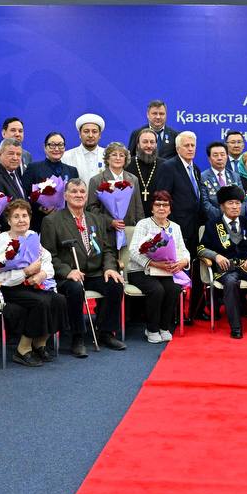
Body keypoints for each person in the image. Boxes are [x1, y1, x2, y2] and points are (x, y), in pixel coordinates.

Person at [43, 179, 128, 357]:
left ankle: (106, 332)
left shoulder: (96, 219)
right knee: (75, 289)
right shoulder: (52, 221)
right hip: (70, 274)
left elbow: (107, 249)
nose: (78, 195)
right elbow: (48, 255)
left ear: (87, 196)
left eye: (82, 191)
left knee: (115, 284)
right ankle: (77, 337)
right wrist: (67, 271)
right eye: (74, 191)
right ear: (65, 196)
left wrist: (109, 268)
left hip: (95, 271)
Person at [0, 199, 69, 367]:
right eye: (16, 216)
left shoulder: (32, 236)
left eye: (24, 216)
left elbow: (46, 260)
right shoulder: (3, 240)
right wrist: (25, 273)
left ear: (30, 218)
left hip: (32, 285)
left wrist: (42, 274)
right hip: (10, 288)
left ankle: (40, 343)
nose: (21, 220)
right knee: (41, 302)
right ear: (9, 221)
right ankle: (23, 349)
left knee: (59, 300)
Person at [198, 186, 247, 339]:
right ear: (222, 206)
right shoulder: (213, 225)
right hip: (226, 269)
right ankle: (236, 327)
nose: (235, 207)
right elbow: (201, 249)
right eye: (230, 203)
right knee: (231, 282)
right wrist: (216, 256)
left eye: (238, 203)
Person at [127, 191, 190, 343]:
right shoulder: (143, 224)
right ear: (152, 208)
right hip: (141, 270)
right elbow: (133, 250)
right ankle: (152, 329)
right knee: (157, 290)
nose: (161, 208)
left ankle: (164, 327)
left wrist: (183, 261)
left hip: (165, 271)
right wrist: (154, 263)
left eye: (165, 205)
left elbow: (183, 250)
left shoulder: (175, 227)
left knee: (174, 288)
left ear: (170, 209)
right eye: (158, 204)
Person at [154, 131, 205, 320]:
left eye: (193, 145)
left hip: (195, 228)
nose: (190, 149)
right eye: (186, 145)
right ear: (177, 148)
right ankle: (174, 314)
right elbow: (163, 198)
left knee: (195, 270)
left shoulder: (196, 168)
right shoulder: (168, 167)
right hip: (176, 228)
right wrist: (170, 227)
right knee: (176, 271)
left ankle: (194, 311)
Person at [22, 130, 78, 234]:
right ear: (45, 147)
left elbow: (76, 196)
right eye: (52, 145)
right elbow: (24, 194)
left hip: (66, 223)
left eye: (60, 145)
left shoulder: (72, 171)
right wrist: (40, 207)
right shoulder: (34, 168)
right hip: (40, 222)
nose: (56, 149)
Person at [86, 141, 145, 231]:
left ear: (125, 159)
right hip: (106, 231)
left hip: (129, 229)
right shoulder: (96, 180)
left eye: (121, 155)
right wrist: (110, 222)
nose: (118, 158)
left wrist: (141, 229)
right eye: (114, 155)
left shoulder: (133, 179)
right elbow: (91, 209)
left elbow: (138, 208)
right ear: (107, 158)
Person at [199, 140, 241, 224]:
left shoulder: (235, 176)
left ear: (227, 156)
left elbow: (243, 201)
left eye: (222, 154)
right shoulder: (202, 177)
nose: (219, 158)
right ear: (209, 159)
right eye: (215, 155)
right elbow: (205, 203)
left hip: (235, 222)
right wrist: (226, 216)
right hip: (213, 222)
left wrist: (234, 215)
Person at [127, 129, 162, 214]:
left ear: (156, 144)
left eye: (152, 142)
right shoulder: (127, 164)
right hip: (133, 214)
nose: (149, 145)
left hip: (157, 214)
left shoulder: (164, 166)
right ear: (138, 145)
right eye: (145, 142)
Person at [66, 113, 106, 179]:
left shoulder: (108, 155)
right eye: (86, 131)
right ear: (79, 134)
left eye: (94, 132)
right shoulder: (67, 156)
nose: (90, 135)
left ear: (99, 135)